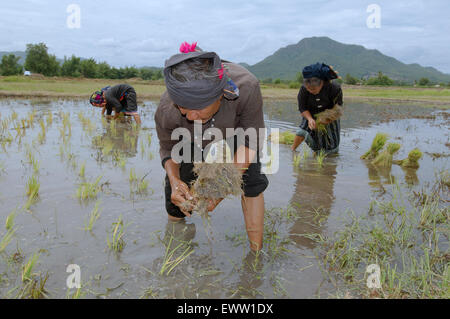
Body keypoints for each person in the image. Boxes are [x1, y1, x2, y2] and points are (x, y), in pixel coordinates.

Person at [155, 42, 268, 251]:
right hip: (188, 140)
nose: (189, 116)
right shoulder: (167, 108)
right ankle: (175, 248)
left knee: (251, 182)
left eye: (197, 110)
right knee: (177, 198)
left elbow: (251, 141)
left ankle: (256, 256)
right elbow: (168, 148)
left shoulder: (246, 87)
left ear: (220, 95)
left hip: (236, 133)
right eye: (183, 108)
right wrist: (174, 179)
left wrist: (220, 188)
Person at [291, 63, 343, 153]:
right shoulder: (303, 89)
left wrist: (326, 119)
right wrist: (310, 119)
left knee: (331, 144)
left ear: (321, 83)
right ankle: (292, 150)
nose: (311, 92)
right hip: (310, 112)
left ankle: (322, 153)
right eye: (309, 90)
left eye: (314, 90)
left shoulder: (334, 88)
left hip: (330, 114)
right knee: (302, 130)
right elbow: (302, 107)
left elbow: (338, 108)